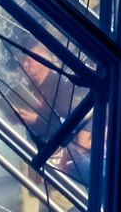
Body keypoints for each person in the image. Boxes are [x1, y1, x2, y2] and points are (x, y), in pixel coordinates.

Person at [15, 45, 75, 212]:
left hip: (54, 148)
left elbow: (63, 122)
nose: (24, 65)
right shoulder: (28, 85)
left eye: (28, 61)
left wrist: (37, 119)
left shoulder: (60, 86)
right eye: (23, 61)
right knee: (27, 194)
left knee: (58, 196)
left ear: (42, 62)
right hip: (30, 145)